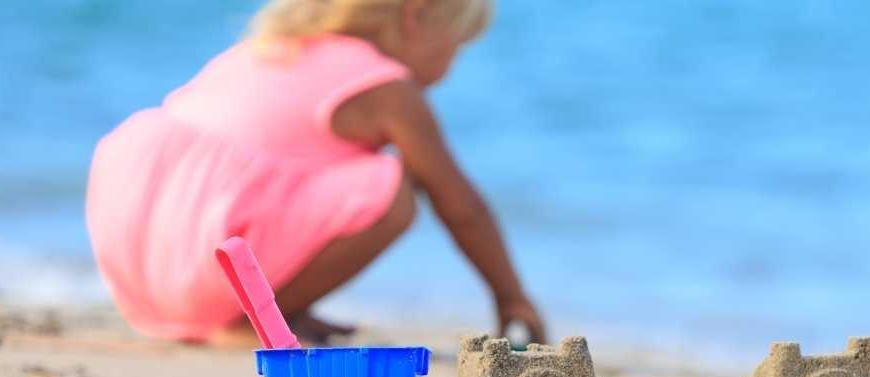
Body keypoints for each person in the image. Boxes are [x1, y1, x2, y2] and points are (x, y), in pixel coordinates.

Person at [86, 0, 545, 346]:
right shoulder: (383, 85)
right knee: (393, 191)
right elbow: (461, 205)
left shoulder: (267, 47)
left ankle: (271, 310)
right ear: (415, 16)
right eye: (455, 47)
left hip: (145, 267)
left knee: (327, 175)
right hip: (204, 267)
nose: (450, 68)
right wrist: (510, 296)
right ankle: (249, 321)